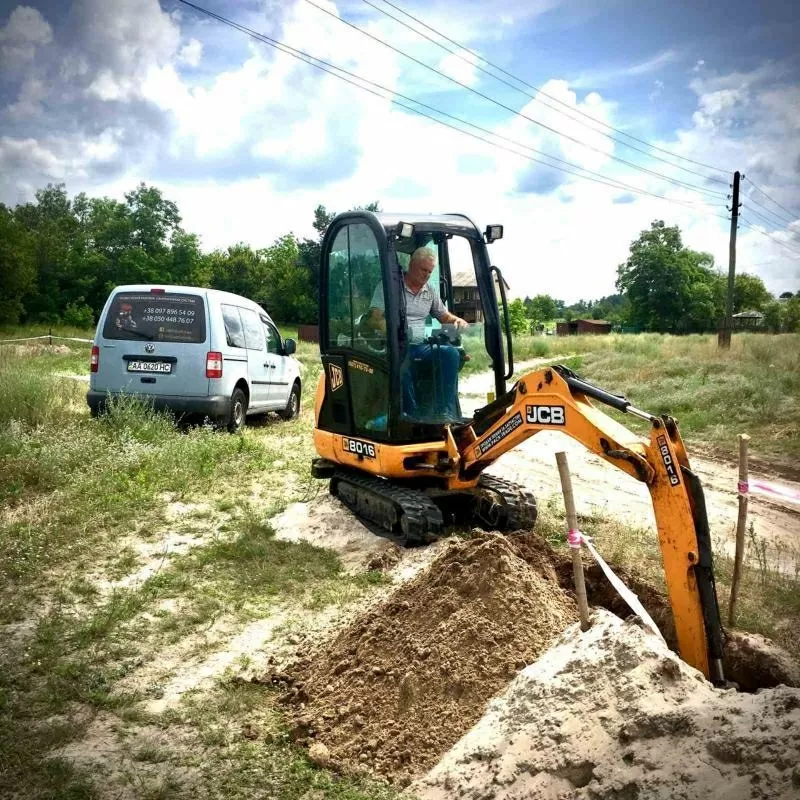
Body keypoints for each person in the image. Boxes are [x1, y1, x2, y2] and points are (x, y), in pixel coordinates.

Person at [367, 247, 468, 420]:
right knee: (402, 363)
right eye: (423, 270)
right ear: (411, 265)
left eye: (430, 272)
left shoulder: (430, 290)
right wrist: (387, 326)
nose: (427, 275)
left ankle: (443, 413)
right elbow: (373, 318)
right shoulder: (390, 286)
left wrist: (456, 321)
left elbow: (443, 316)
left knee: (450, 354)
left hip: (420, 346)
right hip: (395, 347)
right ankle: (410, 416)